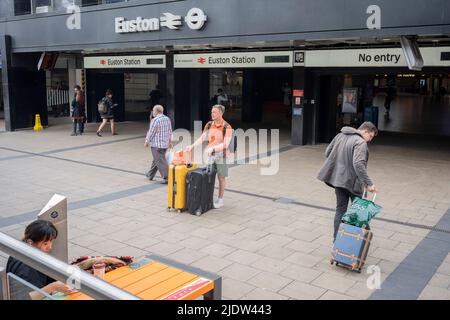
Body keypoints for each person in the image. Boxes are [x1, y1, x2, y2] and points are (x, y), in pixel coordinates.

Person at [317, 121, 378, 241]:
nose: (370, 140)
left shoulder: (340, 135)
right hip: (353, 183)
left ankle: (337, 241)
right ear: (365, 131)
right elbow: (358, 164)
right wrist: (369, 183)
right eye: (370, 136)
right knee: (359, 212)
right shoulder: (360, 142)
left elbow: (327, 152)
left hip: (338, 181)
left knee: (340, 210)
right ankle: (354, 242)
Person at [6, 220, 76, 300]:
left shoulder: (21, 250)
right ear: (30, 242)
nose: (50, 247)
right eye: (45, 243)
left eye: (51, 241)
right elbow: (24, 297)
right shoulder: (27, 266)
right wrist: (54, 287)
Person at [186, 104, 232, 209]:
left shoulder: (227, 127)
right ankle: (207, 198)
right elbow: (202, 138)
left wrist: (214, 149)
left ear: (220, 113)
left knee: (221, 178)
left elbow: (226, 144)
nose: (212, 114)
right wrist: (192, 146)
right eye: (212, 112)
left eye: (214, 112)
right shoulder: (209, 124)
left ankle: (220, 200)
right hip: (210, 156)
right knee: (208, 177)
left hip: (222, 156)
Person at [144, 105, 172, 184]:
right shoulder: (167, 119)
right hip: (164, 144)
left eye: (153, 110)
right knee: (156, 159)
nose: (152, 112)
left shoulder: (155, 120)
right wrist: (170, 142)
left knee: (160, 160)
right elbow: (170, 131)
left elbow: (151, 132)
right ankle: (150, 174)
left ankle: (166, 177)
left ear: (156, 111)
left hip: (157, 145)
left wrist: (147, 141)